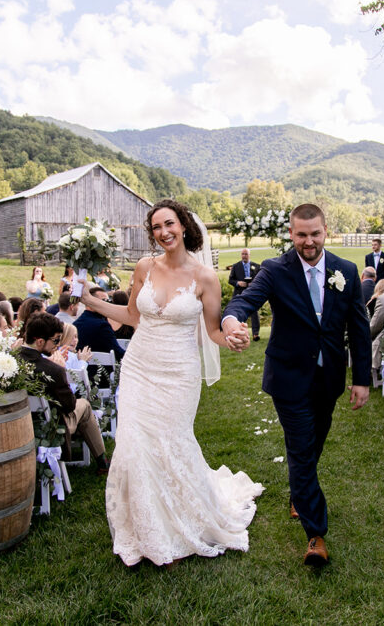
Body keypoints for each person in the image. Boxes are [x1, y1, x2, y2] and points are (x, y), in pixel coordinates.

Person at [76, 198, 261, 567]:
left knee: (171, 444)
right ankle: (148, 530)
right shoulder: (144, 267)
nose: (164, 232)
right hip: (139, 369)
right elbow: (132, 315)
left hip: (178, 374)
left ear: (184, 226)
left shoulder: (205, 278)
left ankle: (181, 525)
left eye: (169, 224)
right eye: (157, 227)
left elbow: (212, 331)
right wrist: (89, 301)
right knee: (134, 446)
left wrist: (234, 339)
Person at [223, 202, 370, 566]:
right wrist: (230, 322)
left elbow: (360, 329)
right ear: (291, 233)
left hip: (329, 377)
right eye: (301, 235)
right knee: (302, 448)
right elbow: (244, 301)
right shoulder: (275, 270)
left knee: (315, 441)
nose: (308, 242)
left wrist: (362, 379)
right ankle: (315, 535)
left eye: (315, 234)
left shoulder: (347, 271)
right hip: (288, 377)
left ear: (325, 231)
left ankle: (299, 494)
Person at [17, 313, 109, 471]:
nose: (57, 345)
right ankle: (102, 462)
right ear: (40, 341)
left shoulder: (12, 360)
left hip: (19, 424)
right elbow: (69, 405)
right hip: (53, 428)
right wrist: (61, 370)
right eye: (55, 340)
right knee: (85, 405)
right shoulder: (52, 369)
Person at [73, 287, 127, 359]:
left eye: (109, 301)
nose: (107, 304)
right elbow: (117, 353)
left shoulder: (75, 324)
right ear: (90, 302)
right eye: (104, 301)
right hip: (100, 368)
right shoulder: (102, 326)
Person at [229, 248, 262, 341]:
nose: (244, 256)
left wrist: (254, 283)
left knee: (254, 313)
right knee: (239, 314)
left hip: (252, 293)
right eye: (243, 254)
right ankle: (239, 334)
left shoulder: (256, 266)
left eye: (246, 254)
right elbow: (230, 280)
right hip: (239, 293)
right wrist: (238, 283)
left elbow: (261, 279)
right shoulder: (236, 266)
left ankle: (256, 334)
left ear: (249, 255)